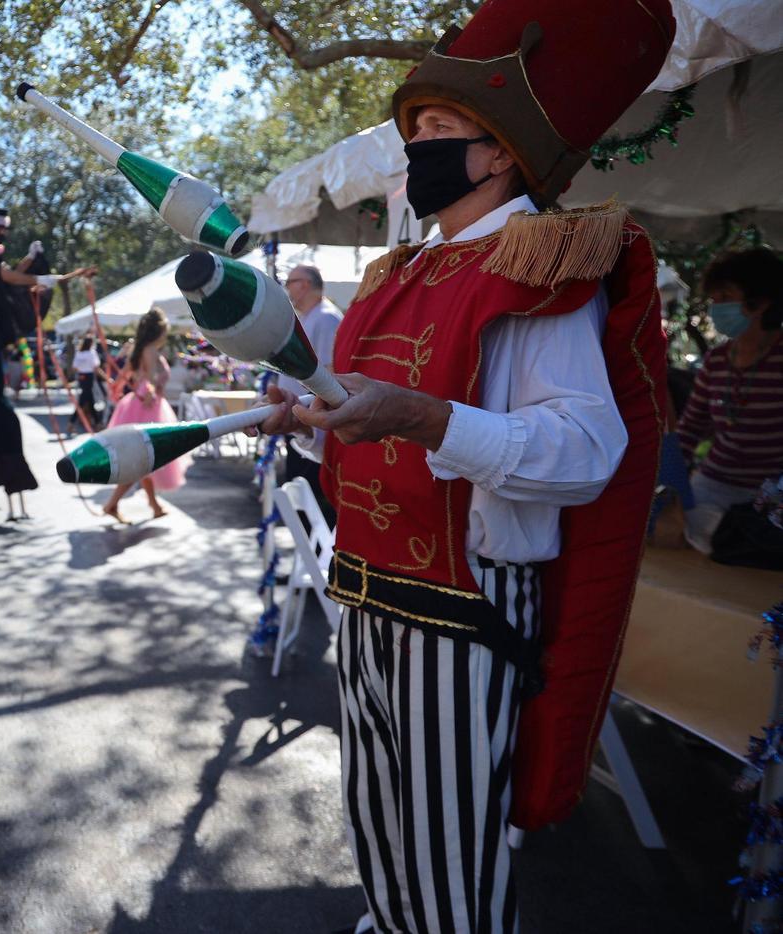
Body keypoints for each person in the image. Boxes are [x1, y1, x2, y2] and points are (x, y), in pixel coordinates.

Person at [259, 2, 672, 931]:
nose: (417, 150)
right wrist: (311, 421)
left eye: (439, 129)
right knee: (379, 839)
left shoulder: (543, 259)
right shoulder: (399, 273)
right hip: (363, 594)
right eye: (415, 133)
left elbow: (587, 453)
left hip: (466, 607)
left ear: (498, 154)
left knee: (450, 875)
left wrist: (423, 416)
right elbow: (362, 429)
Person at [0, 208, 91, 498]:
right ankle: (4, 465)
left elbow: (9, 274)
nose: (4, 235)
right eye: (2, 231)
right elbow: (10, 277)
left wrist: (32, 261)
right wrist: (44, 278)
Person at [677, 248, 783, 553]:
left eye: (725, 297)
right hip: (711, 488)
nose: (716, 307)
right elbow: (689, 430)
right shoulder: (716, 361)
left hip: (769, 499)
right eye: (714, 298)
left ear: (761, 302)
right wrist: (670, 486)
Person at [102, 307, 188, 523]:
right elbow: (148, 379)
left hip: (138, 404)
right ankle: (113, 504)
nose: (166, 335)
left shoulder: (140, 349)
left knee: (146, 460)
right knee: (143, 460)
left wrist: (117, 389)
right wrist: (147, 390)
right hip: (147, 407)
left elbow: (124, 377)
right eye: (165, 330)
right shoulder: (149, 350)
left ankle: (153, 505)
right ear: (158, 331)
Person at [275, 263, 342, 525]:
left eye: (290, 283)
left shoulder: (325, 318)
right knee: (303, 501)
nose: (287, 289)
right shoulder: (312, 317)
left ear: (304, 284)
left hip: (315, 427)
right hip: (304, 424)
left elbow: (330, 374)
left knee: (313, 502)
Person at [70, 335, 109, 431]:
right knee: (84, 401)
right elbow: (96, 368)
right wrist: (106, 378)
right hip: (89, 377)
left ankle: (96, 423)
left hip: (82, 377)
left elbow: (74, 367)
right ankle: (73, 422)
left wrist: (82, 371)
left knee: (89, 400)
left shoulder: (79, 353)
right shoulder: (92, 353)